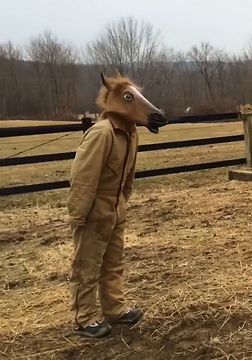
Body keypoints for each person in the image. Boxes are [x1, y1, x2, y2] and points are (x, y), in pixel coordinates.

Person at [67, 71, 168, 338]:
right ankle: (84, 318)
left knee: (113, 262)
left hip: (114, 210)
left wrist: (123, 203)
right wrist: (79, 214)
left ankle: (115, 309)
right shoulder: (102, 134)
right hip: (94, 212)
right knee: (87, 266)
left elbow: (129, 177)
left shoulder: (131, 134)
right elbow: (83, 177)